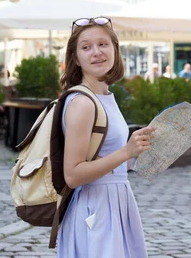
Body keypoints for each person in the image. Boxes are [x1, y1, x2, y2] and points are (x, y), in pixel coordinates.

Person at [57, 16, 154, 257]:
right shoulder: (82, 103)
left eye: (103, 44)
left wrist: (139, 153)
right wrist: (126, 152)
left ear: (114, 49)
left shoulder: (105, 96)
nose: (96, 52)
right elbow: (73, 175)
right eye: (86, 47)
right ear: (76, 58)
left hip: (115, 202)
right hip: (96, 207)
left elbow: (110, 160)